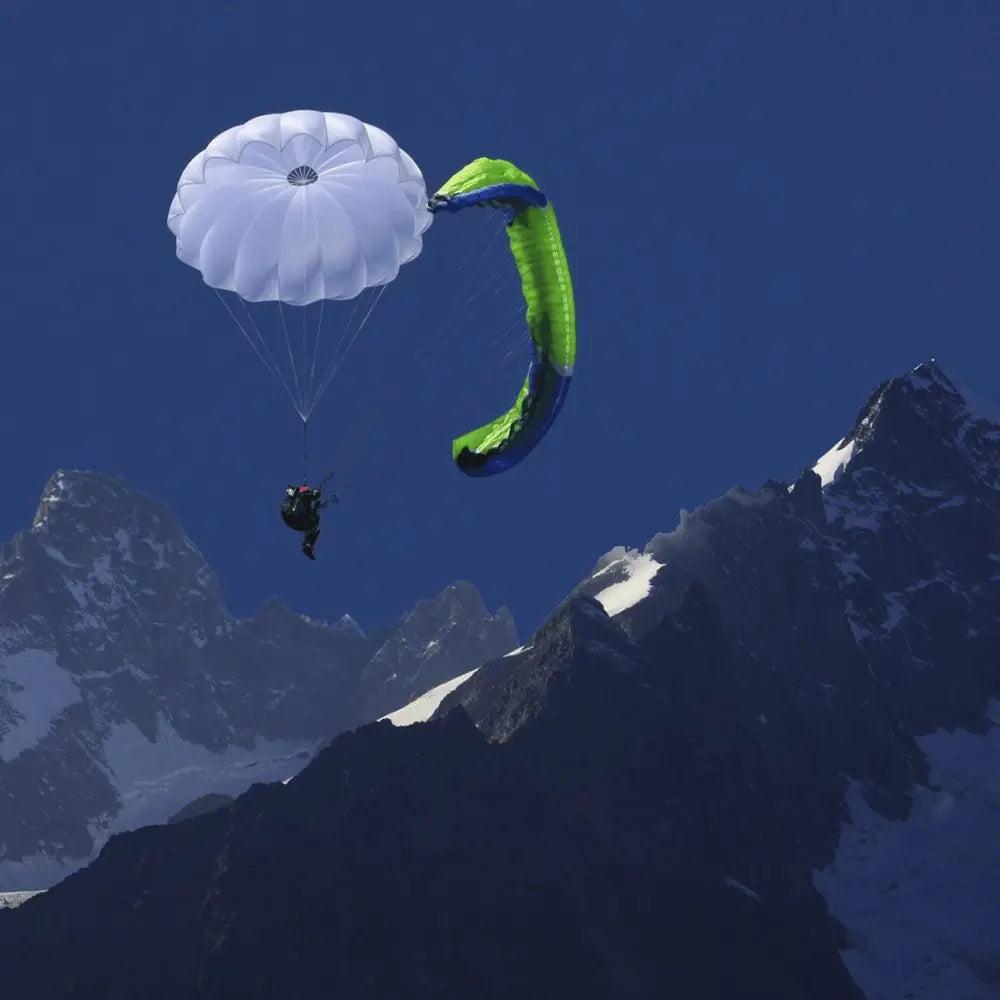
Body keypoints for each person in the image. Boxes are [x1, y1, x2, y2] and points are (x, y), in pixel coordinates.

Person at [281, 482, 336, 560]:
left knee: (315, 527)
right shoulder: (303, 495)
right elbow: (302, 493)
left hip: (293, 520)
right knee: (313, 519)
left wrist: (316, 508)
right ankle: (308, 544)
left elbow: (310, 513)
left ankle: (308, 545)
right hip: (291, 514)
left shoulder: (302, 498)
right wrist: (313, 497)